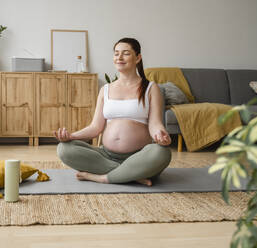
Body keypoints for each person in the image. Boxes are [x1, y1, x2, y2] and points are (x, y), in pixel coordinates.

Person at [54, 37, 171, 186]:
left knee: (162, 153)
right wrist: (71, 136)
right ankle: (131, 175)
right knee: (64, 149)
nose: (119, 57)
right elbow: (95, 128)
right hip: (106, 156)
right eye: (116, 54)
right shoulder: (105, 89)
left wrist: (161, 136)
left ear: (138, 58)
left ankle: (103, 177)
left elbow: (155, 124)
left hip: (140, 156)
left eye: (126, 53)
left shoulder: (150, 88)